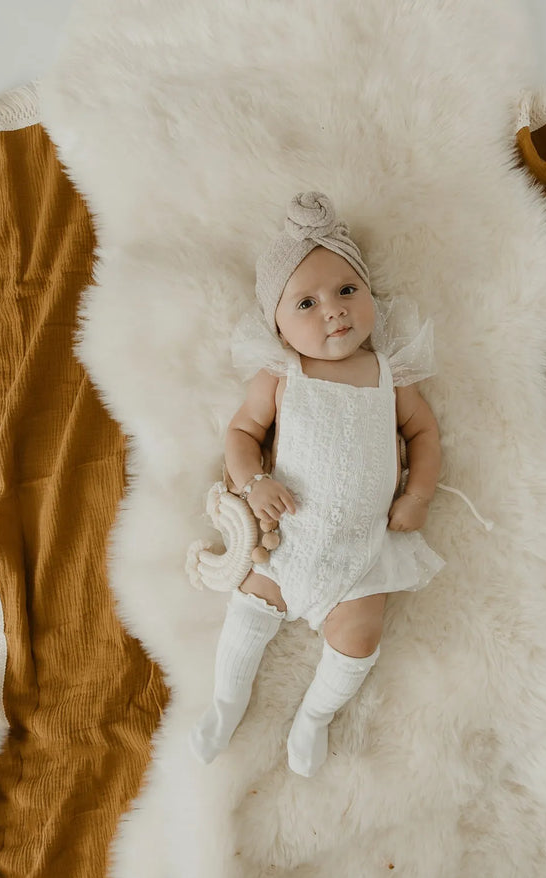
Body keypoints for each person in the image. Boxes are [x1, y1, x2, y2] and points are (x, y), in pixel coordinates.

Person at [190, 191, 447, 777]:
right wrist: (253, 482)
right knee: (248, 614)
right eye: (307, 302)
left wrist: (419, 495)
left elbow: (426, 435)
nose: (333, 310)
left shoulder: (389, 374)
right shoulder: (282, 373)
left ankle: (315, 716)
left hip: (361, 552)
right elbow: (240, 432)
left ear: (369, 296)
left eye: (347, 291)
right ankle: (226, 704)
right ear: (277, 323)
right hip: (286, 542)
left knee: (359, 636)